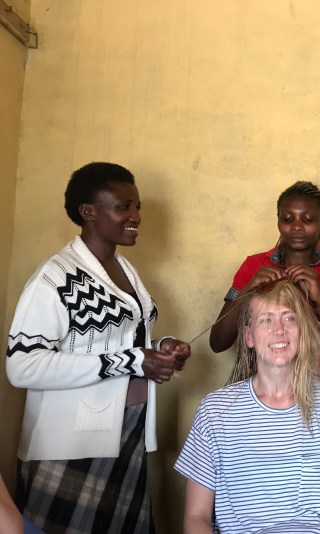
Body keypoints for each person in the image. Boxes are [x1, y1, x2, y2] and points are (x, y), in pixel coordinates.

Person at [5, 162, 191, 533]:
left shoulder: (123, 269)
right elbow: (22, 365)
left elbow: (118, 343)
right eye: (124, 207)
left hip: (126, 431)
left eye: (137, 206)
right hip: (71, 445)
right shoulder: (55, 277)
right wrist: (134, 360)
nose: (136, 216)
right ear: (88, 212)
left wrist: (159, 349)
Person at [175, 279, 320, 533]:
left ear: (303, 331)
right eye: (266, 320)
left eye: (289, 318)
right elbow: (196, 517)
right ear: (248, 336)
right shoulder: (215, 412)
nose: (279, 330)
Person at [209, 181, 320, 367]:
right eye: (287, 219)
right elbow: (218, 343)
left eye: (308, 219)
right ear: (278, 220)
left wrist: (319, 298)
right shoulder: (253, 266)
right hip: (264, 378)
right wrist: (248, 288)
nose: (297, 226)